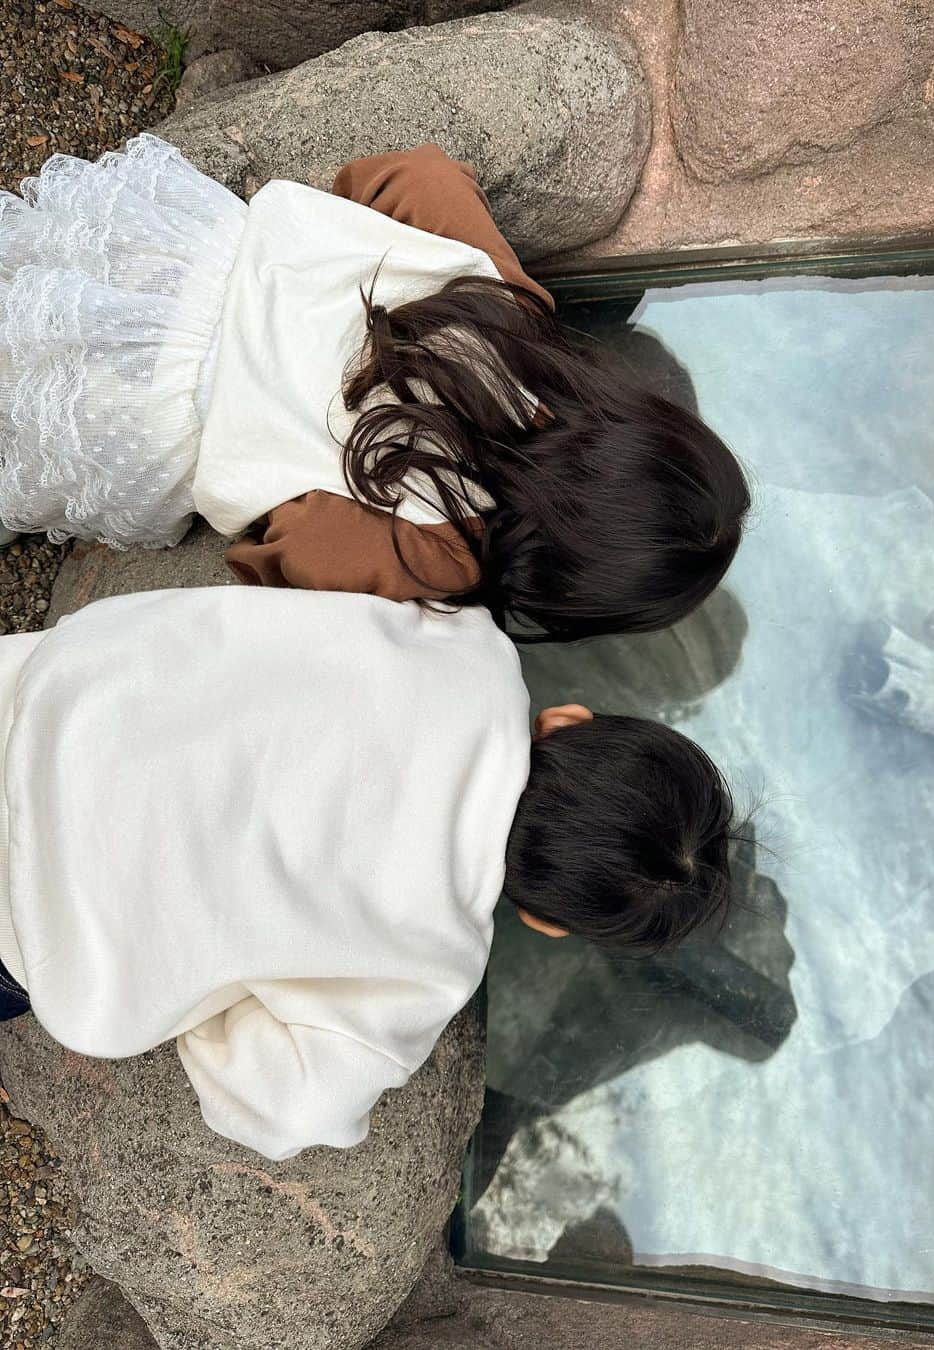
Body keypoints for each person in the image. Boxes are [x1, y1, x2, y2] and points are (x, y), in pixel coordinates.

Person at [0, 587, 735, 1160]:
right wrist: (212, 951)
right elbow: (283, 1107)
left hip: (33, 702)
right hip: (24, 913)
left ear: (568, 719)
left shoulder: (467, 647)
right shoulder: (429, 968)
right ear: (547, 920)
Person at [0, 136, 750, 640]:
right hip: (155, 411)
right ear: (569, 589)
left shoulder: (510, 310)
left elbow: (417, 174)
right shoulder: (447, 549)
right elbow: (301, 552)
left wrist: (337, 235)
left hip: (187, 253)